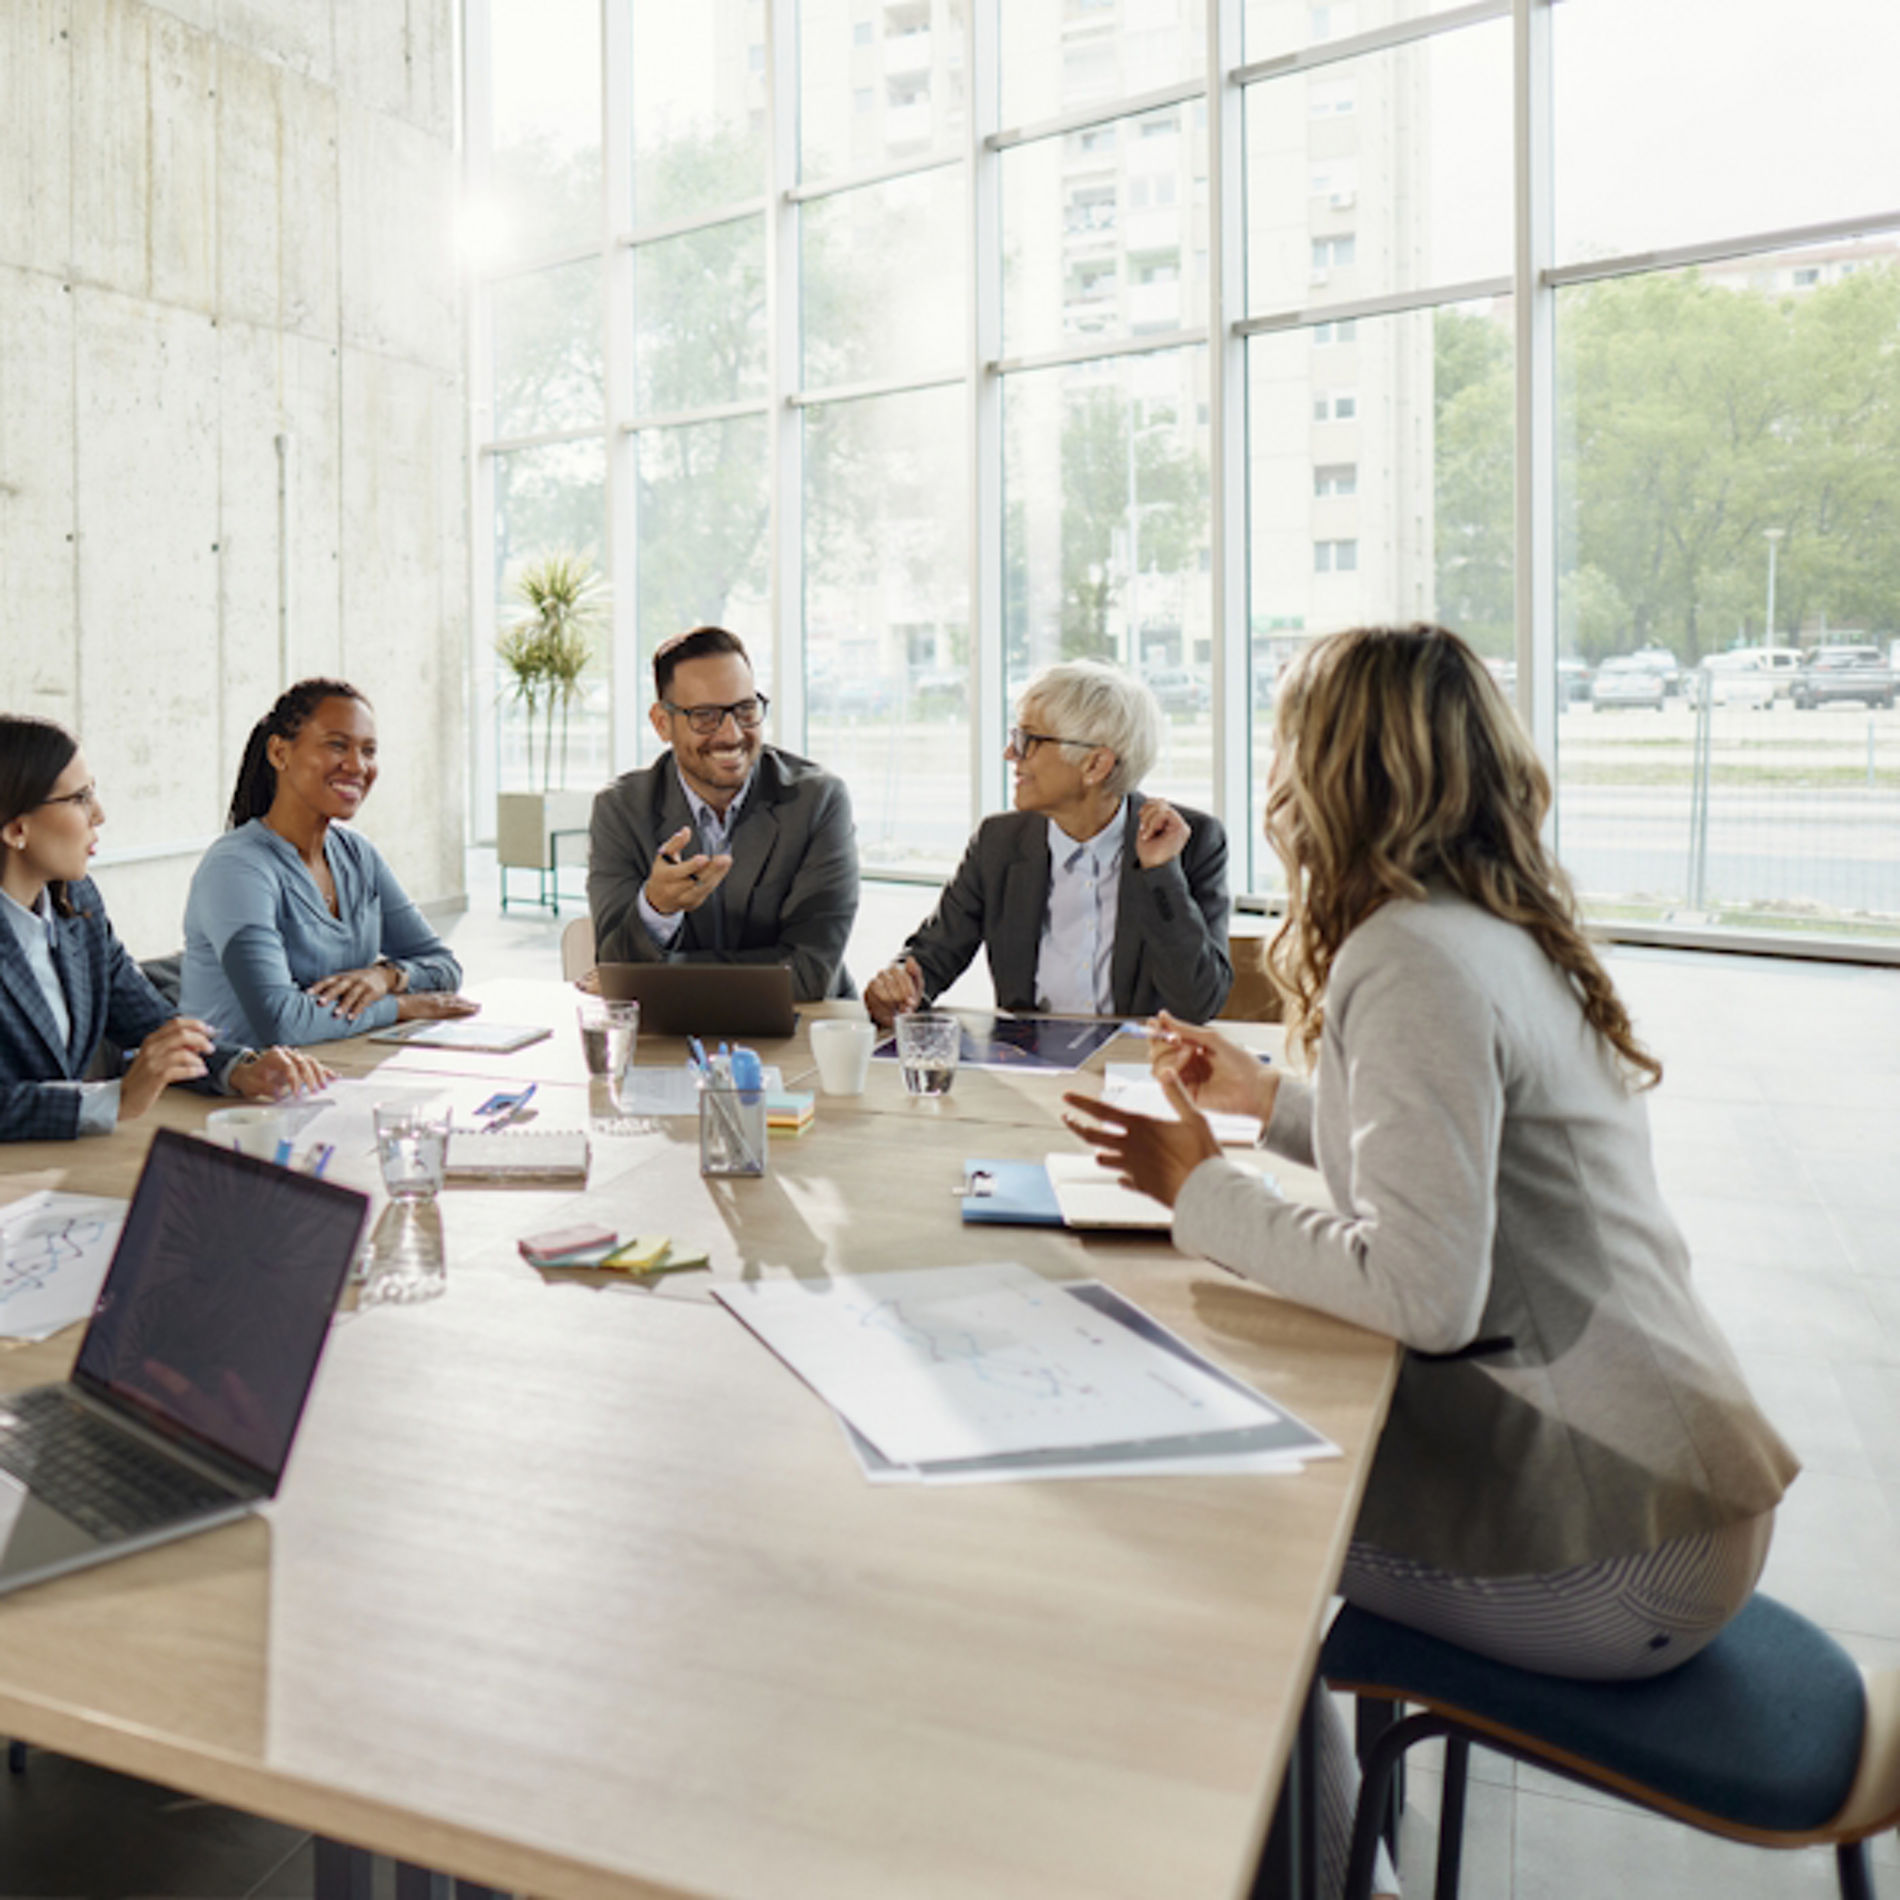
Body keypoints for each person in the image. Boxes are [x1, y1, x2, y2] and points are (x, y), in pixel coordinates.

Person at [1061, 624, 1798, 1898]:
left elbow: (1423, 1292)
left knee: (1236, 1550)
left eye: (1292, 748)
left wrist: (1203, 1186)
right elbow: (1456, 1171)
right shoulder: (1481, 928)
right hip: (1681, 1494)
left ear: (1344, 770)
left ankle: (1312, 1877)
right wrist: (1271, 1100)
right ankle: (1344, 1871)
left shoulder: (1408, 957)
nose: (1277, 784)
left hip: (1621, 1547)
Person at [1, 715, 329, 1142]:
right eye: (80, 798)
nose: (99, 815)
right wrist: (115, 1099)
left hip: (60, 1169)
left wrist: (240, 1069)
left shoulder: (77, 904)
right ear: (16, 828)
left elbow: (149, 1021)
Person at [864, 660, 1231, 1026]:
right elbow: (930, 957)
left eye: (1029, 740)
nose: (1011, 754)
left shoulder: (1191, 843)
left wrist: (1161, 873)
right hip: (1031, 1069)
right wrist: (898, 990)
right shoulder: (999, 843)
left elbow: (1196, 1004)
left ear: (1095, 765)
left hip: (1139, 1071)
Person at [180, 680, 475, 1047]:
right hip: (234, 1094)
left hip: (328, 1077)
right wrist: (401, 1006)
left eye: (369, 751)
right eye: (337, 745)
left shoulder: (357, 855)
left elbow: (444, 967)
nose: (357, 765)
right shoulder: (236, 868)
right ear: (279, 753)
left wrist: (386, 977)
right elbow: (282, 1022)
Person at [587, 627, 860, 1002]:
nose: (732, 734)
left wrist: (665, 975)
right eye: (705, 716)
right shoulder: (620, 810)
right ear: (662, 723)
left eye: (745, 710)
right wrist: (656, 909)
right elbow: (616, 969)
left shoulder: (817, 801)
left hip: (805, 1033)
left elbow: (810, 971)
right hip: (674, 1038)